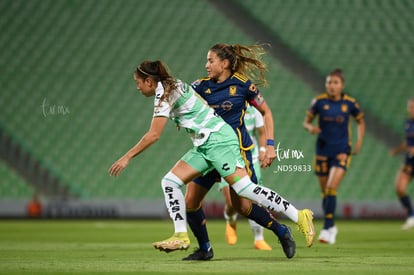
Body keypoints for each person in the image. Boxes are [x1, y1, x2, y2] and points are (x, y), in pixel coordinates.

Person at [109, 60, 313, 262]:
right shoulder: (176, 85)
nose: (137, 87)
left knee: (244, 191)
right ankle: (185, 238)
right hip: (204, 145)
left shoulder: (165, 93)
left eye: (138, 82)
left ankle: (298, 215)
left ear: (149, 81)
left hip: (220, 141)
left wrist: (126, 157)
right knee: (171, 183)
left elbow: (154, 135)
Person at [184, 43, 314, 260]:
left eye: (210, 60)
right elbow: (184, 102)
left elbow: (266, 111)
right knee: (190, 201)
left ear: (224, 63)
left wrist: (269, 145)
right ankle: (205, 249)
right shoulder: (200, 86)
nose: (206, 65)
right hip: (209, 151)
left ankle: (282, 231)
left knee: (243, 206)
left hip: (236, 152)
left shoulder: (243, 85)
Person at [303, 68, 365, 244]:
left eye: (335, 83)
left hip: (342, 150)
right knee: (325, 193)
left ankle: (327, 227)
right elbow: (306, 122)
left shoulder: (350, 103)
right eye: (329, 82)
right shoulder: (319, 102)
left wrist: (359, 140)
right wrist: (311, 128)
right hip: (322, 151)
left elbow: (361, 122)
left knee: (331, 188)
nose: (332, 86)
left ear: (342, 85)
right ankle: (331, 227)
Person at [218, 105, 272, 250]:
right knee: (232, 203)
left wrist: (262, 150)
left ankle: (258, 238)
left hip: (251, 158)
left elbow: (261, 132)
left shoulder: (254, 109)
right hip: (227, 158)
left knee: (255, 199)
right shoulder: (226, 104)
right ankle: (230, 220)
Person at [390, 98, 414, 230]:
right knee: (399, 188)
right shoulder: (408, 123)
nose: (411, 110)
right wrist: (397, 150)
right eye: (410, 107)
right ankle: (411, 215)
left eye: (413, 107)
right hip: (409, 161)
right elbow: (408, 143)